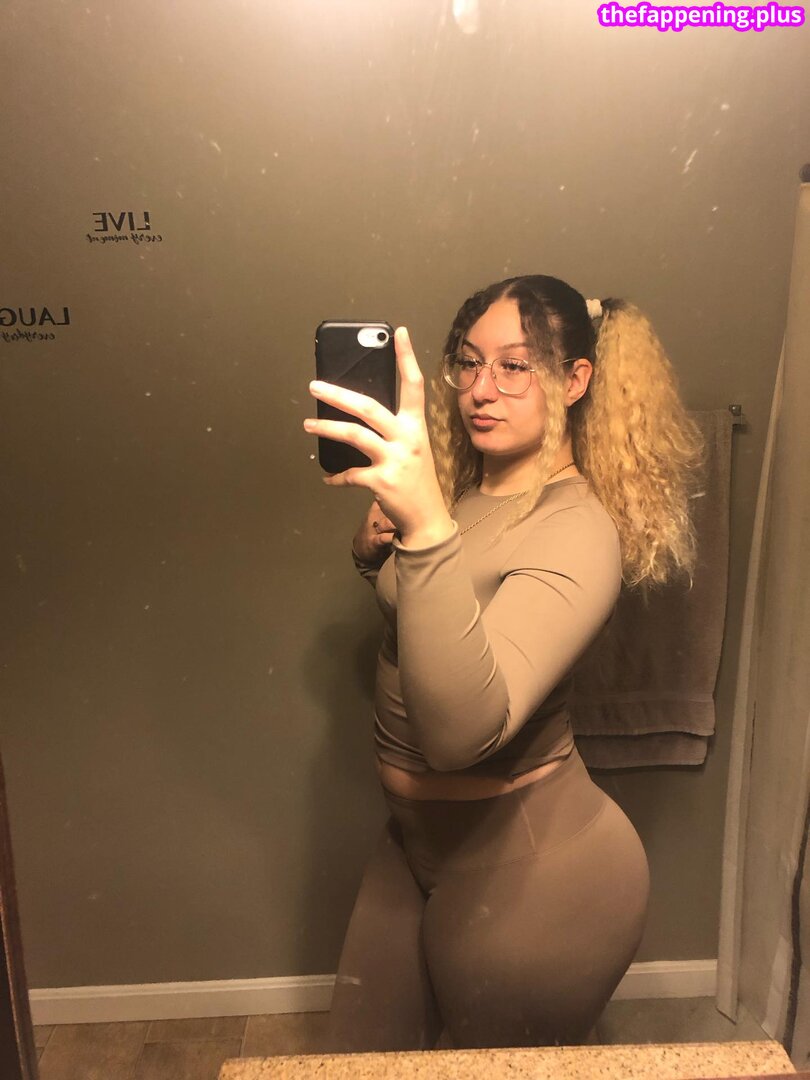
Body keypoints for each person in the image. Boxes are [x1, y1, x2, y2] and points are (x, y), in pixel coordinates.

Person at [304, 274, 705, 1051]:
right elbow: (428, 612)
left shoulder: (577, 529)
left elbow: (461, 736)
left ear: (574, 379)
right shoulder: (463, 498)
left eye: (514, 366)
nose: (481, 390)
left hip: (534, 867)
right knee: (362, 1058)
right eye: (469, 362)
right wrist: (372, 550)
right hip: (414, 843)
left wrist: (426, 532)